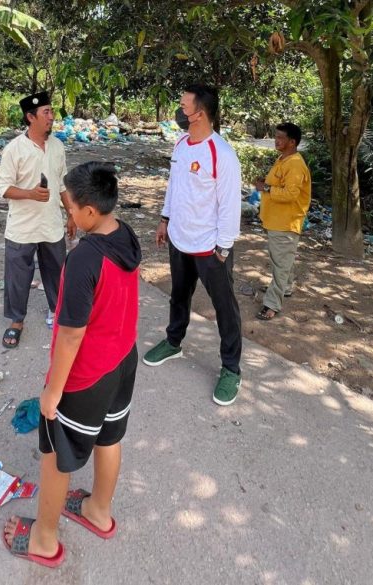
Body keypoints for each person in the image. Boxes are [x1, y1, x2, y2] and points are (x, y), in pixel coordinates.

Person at [2, 162, 141, 568]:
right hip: (122, 360)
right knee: (109, 438)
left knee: (55, 454)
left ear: (91, 213)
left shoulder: (83, 260)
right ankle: (98, 510)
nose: (69, 214)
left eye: (72, 208)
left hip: (86, 374)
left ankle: (44, 539)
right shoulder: (125, 234)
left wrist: (53, 390)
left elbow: (70, 334)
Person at [142, 83, 243, 406]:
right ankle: (174, 341)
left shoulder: (222, 154)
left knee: (224, 308)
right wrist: (165, 219)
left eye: (184, 106)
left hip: (210, 248)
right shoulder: (182, 144)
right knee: (178, 295)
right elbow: (176, 186)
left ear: (199, 114)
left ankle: (230, 368)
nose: (179, 111)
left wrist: (223, 247)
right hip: (179, 239)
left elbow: (229, 206)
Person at [0, 91, 76, 348]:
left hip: (51, 223)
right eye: (46, 113)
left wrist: (71, 214)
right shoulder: (14, 150)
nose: (52, 117)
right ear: (30, 118)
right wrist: (30, 193)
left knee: (56, 272)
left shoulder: (57, 146)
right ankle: (16, 321)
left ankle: (57, 312)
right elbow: (4, 188)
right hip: (22, 226)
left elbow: (62, 183)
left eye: (51, 112)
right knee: (18, 276)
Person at [254, 122, 312, 320]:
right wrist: (266, 183)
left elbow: (290, 194)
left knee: (281, 263)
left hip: (285, 223)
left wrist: (266, 189)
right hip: (276, 220)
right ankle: (286, 287)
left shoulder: (295, 164)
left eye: (280, 138)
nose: (276, 141)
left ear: (292, 142)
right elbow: (280, 184)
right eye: (276, 136)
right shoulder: (284, 159)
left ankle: (271, 304)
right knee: (282, 260)